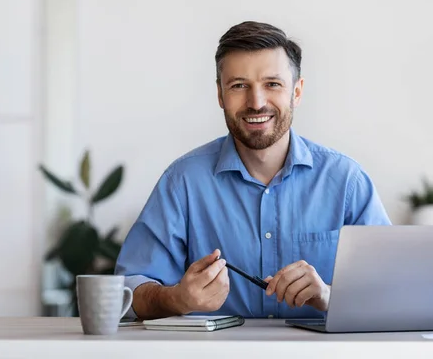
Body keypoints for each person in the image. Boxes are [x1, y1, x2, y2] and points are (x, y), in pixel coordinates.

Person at [115, 21, 391, 321]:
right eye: (239, 86)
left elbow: (394, 290)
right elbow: (127, 292)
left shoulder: (347, 181)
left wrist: (328, 295)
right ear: (220, 95)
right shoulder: (182, 182)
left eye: (272, 84)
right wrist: (176, 299)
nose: (256, 103)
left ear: (296, 92)